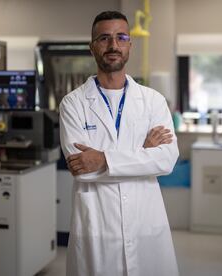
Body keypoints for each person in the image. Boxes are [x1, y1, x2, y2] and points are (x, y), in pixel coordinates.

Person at [59, 10, 180, 276]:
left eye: (121, 37)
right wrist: (142, 154)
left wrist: (103, 159)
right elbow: (83, 170)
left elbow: (166, 160)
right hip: (98, 227)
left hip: (145, 224)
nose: (113, 45)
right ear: (92, 47)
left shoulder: (153, 101)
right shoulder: (73, 104)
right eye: (104, 38)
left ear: (129, 45)